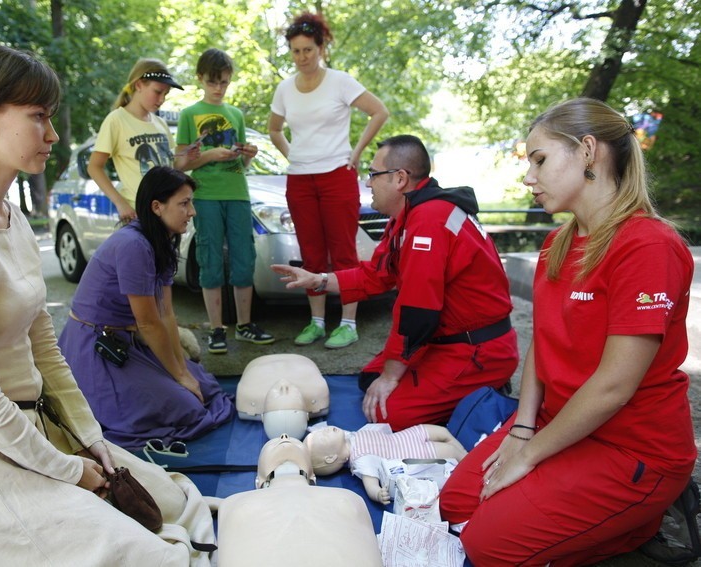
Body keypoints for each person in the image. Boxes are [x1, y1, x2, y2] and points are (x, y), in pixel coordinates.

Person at [0, 41, 215, 565]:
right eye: (39, 117)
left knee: (178, 505)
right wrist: (72, 471)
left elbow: (44, 348)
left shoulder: (9, 218)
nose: (54, 135)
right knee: (154, 556)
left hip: (44, 429)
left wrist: (90, 438)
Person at [439, 98, 696, 566]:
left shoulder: (648, 245)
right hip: (559, 425)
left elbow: (614, 387)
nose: (528, 177)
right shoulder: (558, 242)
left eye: (540, 160)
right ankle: (587, 510)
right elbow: (544, 339)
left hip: (631, 445)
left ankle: (641, 519)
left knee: (487, 545)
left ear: (588, 151)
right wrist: (520, 430)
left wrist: (529, 455)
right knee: (455, 503)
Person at [273, 135, 519, 430]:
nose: (367, 183)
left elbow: (418, 310)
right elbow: (376, 275)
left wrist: (392, 375)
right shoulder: (412, 214)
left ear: (400, 178)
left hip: (476, 349)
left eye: (373, 174)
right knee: (369, 378)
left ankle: (485, 391)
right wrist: (319, 279)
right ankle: (457, 389)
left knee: (386, 413)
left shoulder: (428, 220)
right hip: (446, 338)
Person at [58, 166, 235, 450]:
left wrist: (183, 371)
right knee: (188, 407)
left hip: (130, 341)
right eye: (184, 203)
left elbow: (166, 314)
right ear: (156, 206)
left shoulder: (160, 240)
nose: (193, 212)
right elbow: (149, 323)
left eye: (191, 202)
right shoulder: (133, 245)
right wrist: (179, 375)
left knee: (206, 388)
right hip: (98, 348)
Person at [268, 11, 389, 349]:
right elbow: (274, 129)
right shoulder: (284, 89)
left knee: (343, 251)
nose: (302, 57)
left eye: (308, 49)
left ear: (321, 48)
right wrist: (292, 154)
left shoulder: (340, 81)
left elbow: (379, 111)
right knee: (312, 253)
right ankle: (317, 322)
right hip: (300, 180)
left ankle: (348, 323)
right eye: (295, 51)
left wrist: (356, 153)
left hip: (338, 175)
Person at [176, 48, 274, 354]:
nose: (219, 88)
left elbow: (240, 165)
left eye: (224, 82)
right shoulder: (189, 114)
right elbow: (180, 164)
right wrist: (208, 156)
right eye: (213, 81)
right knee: (210, 259)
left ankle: (244, 325)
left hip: (238, 194)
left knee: (244, 257)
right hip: (205, 195)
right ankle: (217, 329)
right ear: (201, 79)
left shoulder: (236, 115)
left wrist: (248, 156)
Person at [217, 435, 384, 567]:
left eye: (298, 443)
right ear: (257, 481)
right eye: (271, 443)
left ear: (313, 476)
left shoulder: (233, 503)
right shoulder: (348, 497)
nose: (283, 436)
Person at [89, 58, 198, 223]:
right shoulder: (117, 120)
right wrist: (120, 203)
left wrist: (186, 159)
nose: (162, 99)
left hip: (167, 213)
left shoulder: (161, 123)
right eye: (158, 92)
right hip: (138, 213)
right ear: (139, 85)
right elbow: (94, 167)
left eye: (166, 94)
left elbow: (170, 169)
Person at [304, 423, 467, 504]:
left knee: (442, 432)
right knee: (451, 452)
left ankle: (466, 454)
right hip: (415, 452)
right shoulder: (361, 461)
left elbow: (317, 434)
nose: (324, 431)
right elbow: (370, 484)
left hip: (407, 436)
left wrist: (312, 431)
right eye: (323, 437)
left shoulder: (348, 437)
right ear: (331, 458)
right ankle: (470, 461)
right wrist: (377, 494)